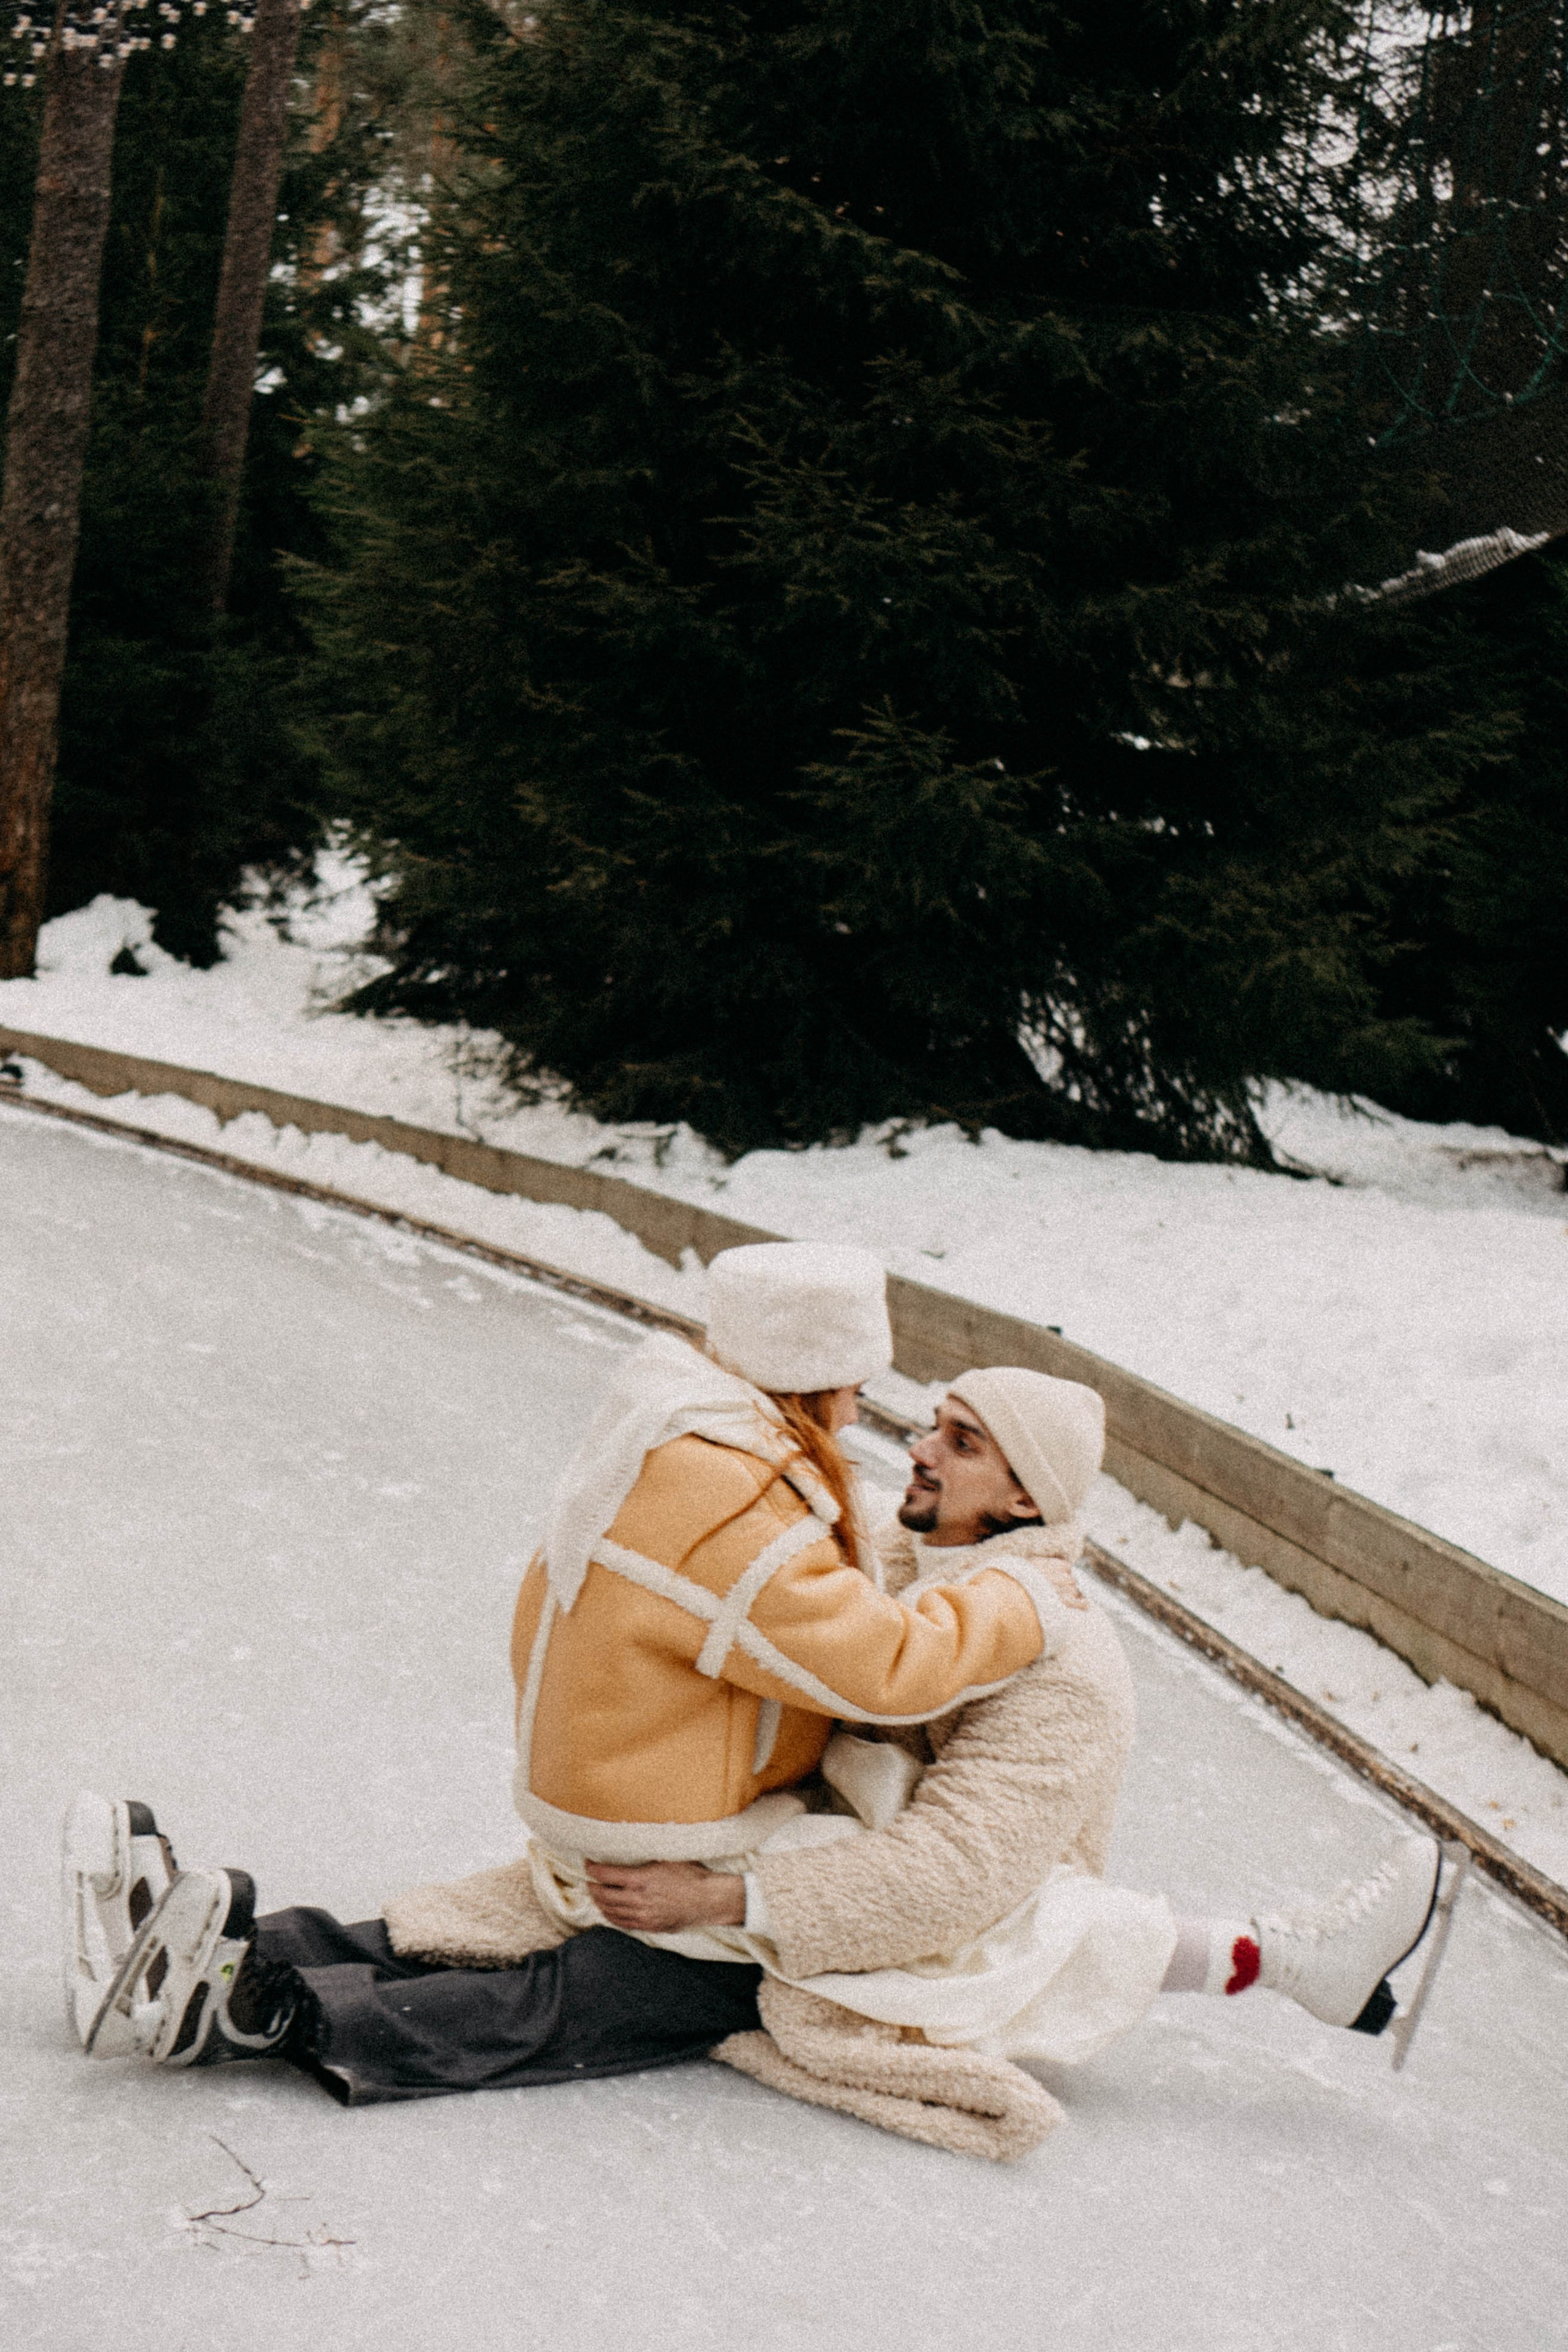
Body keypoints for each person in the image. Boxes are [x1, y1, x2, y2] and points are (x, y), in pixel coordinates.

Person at [66, 1316, 1452, 2158]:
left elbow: (956, 1878)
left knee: (601, 1985)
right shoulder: (927, 1581)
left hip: (860, 1938)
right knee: (511, 1910)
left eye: (960, 1443)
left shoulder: (1063, 1662)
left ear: (1024, 1491)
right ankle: (222, 1936)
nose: (918, 1449)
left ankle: (259, 2012)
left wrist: (727, 1893)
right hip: (783, 1874)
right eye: (929, 1422)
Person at [66, 1245, 1070, 2102]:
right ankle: (262, 2014)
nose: (858, 1420)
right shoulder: (741, 1508)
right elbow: (889, 1669)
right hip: (669, 1825)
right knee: (613, 1997)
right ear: (810, 1375)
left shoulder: (669, 1436)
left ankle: (231, 1939)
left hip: (604, 1785)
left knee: (474, 1931)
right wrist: (1020, 1600)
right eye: (853, 1386)